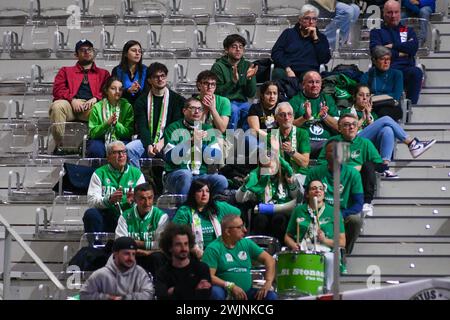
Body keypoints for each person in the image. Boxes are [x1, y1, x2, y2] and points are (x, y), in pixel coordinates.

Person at [342, 84, 436, 177]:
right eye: (361, 95)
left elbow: (373, 133)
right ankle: (412, 143)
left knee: (387, 130)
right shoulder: (346, 112)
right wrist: (362, 119)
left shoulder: (372, 114)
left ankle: (384, 167)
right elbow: (347, 133)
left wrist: (368, 118)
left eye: (367, 95)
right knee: (386, 118)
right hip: (351, 146)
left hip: (367, 148)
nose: (364, 98)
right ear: (354, 97)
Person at [50, 39, 110, 155]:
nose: (87, 52)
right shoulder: (65, 71)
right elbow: (58, 89)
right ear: (76, 55)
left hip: (91, 107)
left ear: (93, 52)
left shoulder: (104, 73)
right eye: (82, 50)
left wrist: (96, 98)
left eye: (89, 50)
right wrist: (72, 99)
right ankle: (60, 146)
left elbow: (108, 91)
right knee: (57, 106)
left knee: (102, 109)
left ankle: (95, 147)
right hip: (70, 106)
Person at [317, 113, 383, 217]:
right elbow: (320, 163)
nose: (351, 127)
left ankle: (367, 203)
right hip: (335, 177)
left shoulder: (365, 143)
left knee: (368, 165)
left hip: (358, 180)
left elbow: (380, 165)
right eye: (347, 124)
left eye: (354, 124)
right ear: (339, 128)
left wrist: (361, 167)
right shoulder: (333, 142)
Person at [305, 140, 364, 255]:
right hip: (318, 211)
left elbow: (359, 203)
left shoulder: (353, 174)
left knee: (355, 220)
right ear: (325, 155)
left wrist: (342, 214)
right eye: (332, 151)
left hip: (342, 213)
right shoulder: (315, 172)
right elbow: (306, 198)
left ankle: (344, 253)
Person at [285, 180, 346, 286]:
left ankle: (326, 291)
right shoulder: (299, 210)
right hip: (303, 250)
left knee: (330, 259)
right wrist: (293, 245)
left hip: (326, 251)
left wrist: (325, 240)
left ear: (324, 193)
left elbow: (342, 242)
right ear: (307, 194)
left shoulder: (333, 212)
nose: (318, 190)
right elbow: (287, 236)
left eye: (320, 189)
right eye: (313, 188)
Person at [202, 214, 277, 300]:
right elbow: (208, 276)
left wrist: (268, 282)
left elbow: (270, 260)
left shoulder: (246, 243)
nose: (245, 230)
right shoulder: (213, 248)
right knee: (215, 293)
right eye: (239, 227)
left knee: (271, 296)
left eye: (244, 226)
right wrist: (230, 286)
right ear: (227, 231)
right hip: (225, 292)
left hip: (246, 293)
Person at [163, 98, 228, 196]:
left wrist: (200, 144)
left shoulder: (207, 129)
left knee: (221, 180)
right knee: (186, 174)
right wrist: (191, 142)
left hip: (200, 176)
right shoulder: (173, 128)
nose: (197, 111)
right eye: (193, 108)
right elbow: (169, 156)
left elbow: (216, 156)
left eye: (200, 109)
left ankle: (209, 208)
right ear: (184, 111)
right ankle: (183, 209)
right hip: (176, 174)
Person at [126, 62, 185, 168]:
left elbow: (175, 126)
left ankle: (169, 180)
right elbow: (142, 126)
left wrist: (162, 142)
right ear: (149, 80)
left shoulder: (177, 100)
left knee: (180, 150)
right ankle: (139, 181)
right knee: (130, 149)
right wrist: (148, 144)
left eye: (163, 76)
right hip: (147, 141)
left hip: (168, 141)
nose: (160, 79)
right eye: (156, 77)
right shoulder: (141, 101)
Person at [235, 152, 298, 243]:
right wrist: (245, 186)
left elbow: (296, 198)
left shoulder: (286, 175)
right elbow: (239, 199)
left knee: (279, 220)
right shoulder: (256, 177)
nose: (269, 170)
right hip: (262, 211)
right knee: (260, 219)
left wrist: (291, 184)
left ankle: (278, 249)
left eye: (271, 167)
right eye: (265, 168)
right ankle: (260, 249)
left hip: (283, 210)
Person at [83, 141, 145, 233]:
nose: (121, 155)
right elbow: (92, 202)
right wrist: (109, 200)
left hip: (129, 217)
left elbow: (144, 201)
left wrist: (133, 202)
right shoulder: (99, 173)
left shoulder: (137, 174)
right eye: (116, 152)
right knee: (91, 214)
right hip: (107, 215)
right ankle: (96, 246)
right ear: (108, 157)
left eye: (123, 152)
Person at [370, 0, 423, 104]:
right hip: (386, 70)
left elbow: (413, 47)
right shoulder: (377, 32)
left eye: (396, 12)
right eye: (389, 12)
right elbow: (377, 52)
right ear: (383, 13)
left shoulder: (408, 30)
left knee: (417, 72)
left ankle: (410, 107)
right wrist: (402, 52)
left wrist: (393, 46)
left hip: (406, 69)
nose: (393, 16)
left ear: (400, 12)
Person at [173, 179, 241, 258]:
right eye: (200, 191)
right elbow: (177, 234)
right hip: (194, 255)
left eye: (207, 191)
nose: (204, 194)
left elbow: (237, 213)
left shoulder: (218, 207)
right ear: (193, 194)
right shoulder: (185, 211)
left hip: (218, 253)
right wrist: (194, 249)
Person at [115, 182, 169, 275]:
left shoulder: (162, 217)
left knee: (158, 257)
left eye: (150, 198)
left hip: (151, 256)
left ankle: (159, 287)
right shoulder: (125, 216)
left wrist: (139, 244)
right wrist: (140, 250)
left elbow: (162, 246)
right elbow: (120, 243)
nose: (147, 203)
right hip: (132, 256)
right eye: (142, 199)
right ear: (135, 199)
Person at [80, 236, 154, 300]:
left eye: (133, 254)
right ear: (115, 254)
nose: (131, 258)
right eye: (126, 254)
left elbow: (149, 294)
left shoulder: (140, 273)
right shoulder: (101, 274)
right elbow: (85, 294)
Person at [271, 4, 331, 81]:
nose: (311, 22)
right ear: (300, 20)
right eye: (307, 18)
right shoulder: (288, 33)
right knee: (278, 73)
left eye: (314, 19)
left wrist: (316, 39)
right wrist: (287, 68)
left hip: (308, 71)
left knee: (311, 77)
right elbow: (276, 53)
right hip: (287, 69)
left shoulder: (321, 38)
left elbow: (325, 59)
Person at [211, 34, 258, 130]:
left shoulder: (247, 65)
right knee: (234, 110)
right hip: (225, 102)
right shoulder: (218, 66)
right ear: (226, 50)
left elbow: (251, 94)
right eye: (234, 46)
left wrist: (249, 79)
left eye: (241, 47)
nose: (238, 49)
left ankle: (247, 141)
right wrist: (233, 82)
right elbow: (217, 91)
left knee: (251, 110)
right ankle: (230, 141)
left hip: (243, 102)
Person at [155, 223, 212, 300]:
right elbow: (163, 297)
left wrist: (174, 291)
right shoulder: (162, 273)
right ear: (169, 247)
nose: (184, 248)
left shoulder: (202, 268)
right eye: (178, 244)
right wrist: (193, 288)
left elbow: (204, 295)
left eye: (186, 244)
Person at [290, 71, 339, 158]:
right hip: (304, 141)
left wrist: (325, 116)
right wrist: (305, 117)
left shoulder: (328, 100)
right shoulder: (295, 100)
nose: (314, 85)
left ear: (321, 84)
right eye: (310, 82)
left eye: (317, 82)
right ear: (303, 84)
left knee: (342, 148)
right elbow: (288, 126)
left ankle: (343, 171)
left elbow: (339, 127)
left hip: (325, 142)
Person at [87, 76, 134, 158]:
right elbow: (92, 134)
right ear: (106, 90)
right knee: (95, 150)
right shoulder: (97, 107)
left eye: (120, 89)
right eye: (113, 88)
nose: (117, 92)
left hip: (121, 139)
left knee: (127, 149)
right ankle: (99, 171)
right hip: (101, 139)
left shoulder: (127, 106)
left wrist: (116, 125)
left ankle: (121, 171)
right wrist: (106, 124)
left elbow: (128, 133)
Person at [274, 102, 311, 195]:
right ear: (276, 118)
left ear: (293, 117)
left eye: (289, 114)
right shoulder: (271, 136)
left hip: (299, 175)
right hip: (278, 175)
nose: (286, 117)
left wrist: (292, 152)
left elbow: (305, 163)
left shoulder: (302, 133)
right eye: (282, 115)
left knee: (295, 182)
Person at [360, 45, 404, 121]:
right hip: (372, 108)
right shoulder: (367, 76)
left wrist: (374, 96)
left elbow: (396, 95)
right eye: (382, 59)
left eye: (388, 59)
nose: (386, 62)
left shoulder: (397, 74)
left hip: (392, 106)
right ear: (374, 60)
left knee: (384, 114)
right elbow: (364, 96)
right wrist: (388, 95)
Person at [111, 40, 148, 105]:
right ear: (125, 54)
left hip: (141, 105)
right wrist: (127, 91)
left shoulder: (146, 70)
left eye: (139, 51)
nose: (137, 53)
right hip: (121, 105)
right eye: (134, 50)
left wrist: (138, 90)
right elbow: (114, 91)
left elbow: (148, 92)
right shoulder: (117, 70)